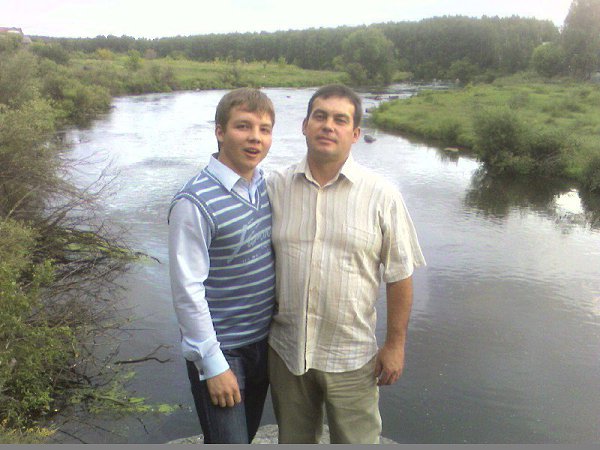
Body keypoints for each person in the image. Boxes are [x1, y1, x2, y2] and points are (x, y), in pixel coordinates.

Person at [267, 84, 426, 444]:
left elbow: (400, 275)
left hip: (352, 356)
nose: (328, 126)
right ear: (305, 125)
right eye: (320, 116)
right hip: (288, 352)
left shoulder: (382, 195)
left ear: (355, 134)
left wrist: (395, 345)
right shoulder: (275, 187)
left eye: (340, 120)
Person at [168, 88, 276, 444]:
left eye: (264, 129)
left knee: (244, 436)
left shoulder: (264, 186)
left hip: (262, 344)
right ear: (219, 131)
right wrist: (212, 365)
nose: (255, 137)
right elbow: (187, 290)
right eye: (243, 126)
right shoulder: (194, 201)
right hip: (223, 350)